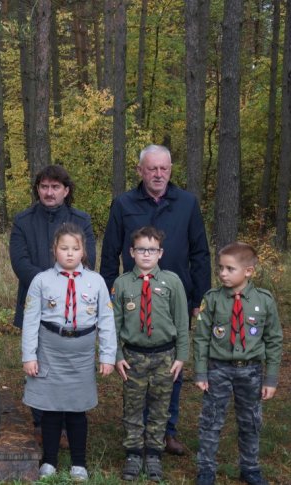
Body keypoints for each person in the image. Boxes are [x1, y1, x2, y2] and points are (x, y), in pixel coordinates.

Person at [100, 144, 211, 455]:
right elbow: (109, 254)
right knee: (135, 363)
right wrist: (108, 299)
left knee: (171, 366)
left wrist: (199, 298)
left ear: (171, 170)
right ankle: (137, 429)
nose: (159, 174)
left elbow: (200, 253)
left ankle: (166, 430)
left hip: (174, 301)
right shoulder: (123, 204)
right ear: (140, 171)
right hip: (133, 298)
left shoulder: (187, 203)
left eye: (164, 168)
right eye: (152, 168)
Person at [21, 223, 116, 482]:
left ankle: (79, 463)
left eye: (75, 248)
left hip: (82, 354)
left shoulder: (96, 281)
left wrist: (107, 356)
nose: (70, 253)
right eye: (64, 248)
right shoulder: (41, 280)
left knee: (77, 410)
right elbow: (30, 320)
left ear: (83, 251)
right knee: (50, 410)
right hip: (49, 350)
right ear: (55, 250)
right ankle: (49, 460)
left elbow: (106, 320)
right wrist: (29, 356)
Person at [10, 164, 96, 444]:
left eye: (55, 187)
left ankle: (71, 420)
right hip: (35, 302)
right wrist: (48, 286)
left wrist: (60, 287)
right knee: (39, 363)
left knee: (71, 365)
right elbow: (20, 262)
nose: (49, 192)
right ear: (37, 189)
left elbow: (88, 258)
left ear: (66, 190)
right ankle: (42, 421)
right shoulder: (23, 221)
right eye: (44, 187)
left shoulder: (81, 220)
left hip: (74, 306)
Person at [193, 242, 282, 485]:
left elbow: (274, 339)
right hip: (218, 369)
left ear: (249, 271)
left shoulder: (264, 300)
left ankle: (250, 468)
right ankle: (206, 469)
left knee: (250, 421)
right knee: (211, 421)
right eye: (220, 268)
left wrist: (271, 378)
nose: (222, 273)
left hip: (251, 370)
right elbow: (201, 338)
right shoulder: (211, 299)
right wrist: (201, 373)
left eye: (229, 269)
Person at [111, 227, 189, 482]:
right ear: (132, 252)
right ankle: (134, 453)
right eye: (141, 249)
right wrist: (116, 355)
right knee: (132, 407)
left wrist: (181, 356)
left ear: (160, 253)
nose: (146, 254)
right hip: (133, 357)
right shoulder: (122, 283)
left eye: (152, 249)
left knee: (160, 408)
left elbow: (181, 322)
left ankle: (154, 453)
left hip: (165, 356)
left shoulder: (172, 281)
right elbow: (114, 323)